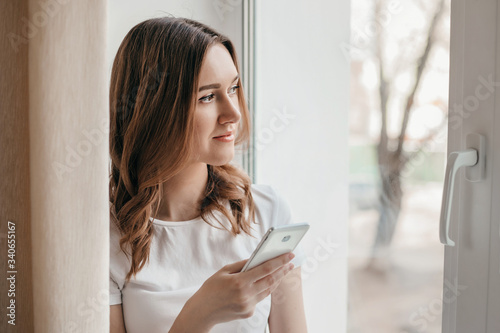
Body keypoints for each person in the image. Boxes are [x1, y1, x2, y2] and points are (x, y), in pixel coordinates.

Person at [108, 16, 307, 333]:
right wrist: (199, 316)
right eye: (208, 96)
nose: (233, 113)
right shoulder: (107, 239)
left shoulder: (267, 211)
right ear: (155, 110)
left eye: (233, 88)